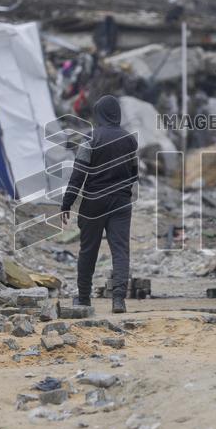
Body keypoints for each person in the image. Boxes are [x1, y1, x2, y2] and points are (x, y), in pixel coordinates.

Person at [61, 95, 138, 313]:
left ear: (99, 114)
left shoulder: (90, 138)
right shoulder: (130, 140)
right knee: (120, 251)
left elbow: (79, 173)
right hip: (121, 202)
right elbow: (134, 174)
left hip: (93, 202)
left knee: (88, 250)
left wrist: (67, 203)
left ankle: (84, 298)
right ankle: (119, 300)